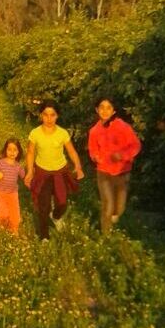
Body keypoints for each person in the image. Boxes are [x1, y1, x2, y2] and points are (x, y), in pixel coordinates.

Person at [24, 100, 84, 240]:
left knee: (62, 203)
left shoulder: (62, 133)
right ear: (41, 115)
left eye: (53, 115)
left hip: (60, 172)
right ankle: (44, 236)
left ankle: (56, 216)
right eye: (45, 115)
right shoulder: (35, 133)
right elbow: (30, 153)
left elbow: (72, 152)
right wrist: (30, 172)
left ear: (57, 116)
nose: (49, 119)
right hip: (42, 173)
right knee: (43, 207)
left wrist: (78, 167)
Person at [88, 96, 141, 234]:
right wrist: (95, 156)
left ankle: (114, 217)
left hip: (122, 171)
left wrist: (122, 155)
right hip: (103, 171)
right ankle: (106, 237)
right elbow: (92, 149)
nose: (105, 111)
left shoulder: (122, 127)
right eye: (102, 107)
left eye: (108, 107)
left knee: (119, 208)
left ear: (114, 111)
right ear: (97, 110)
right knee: (108, 204)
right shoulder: (94, 131)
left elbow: (135, 145)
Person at [0, 137, 26, 235]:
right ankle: (2, 225)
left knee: (15, 214)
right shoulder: (0, 163)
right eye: (9, 149)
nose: (12, 152)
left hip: (12, 194)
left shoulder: (18, 166)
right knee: (4, 214)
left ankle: (14, 229)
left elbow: (24, 176)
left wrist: (30, 175)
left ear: (18, 152)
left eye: (15, 150)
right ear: (5, 150)